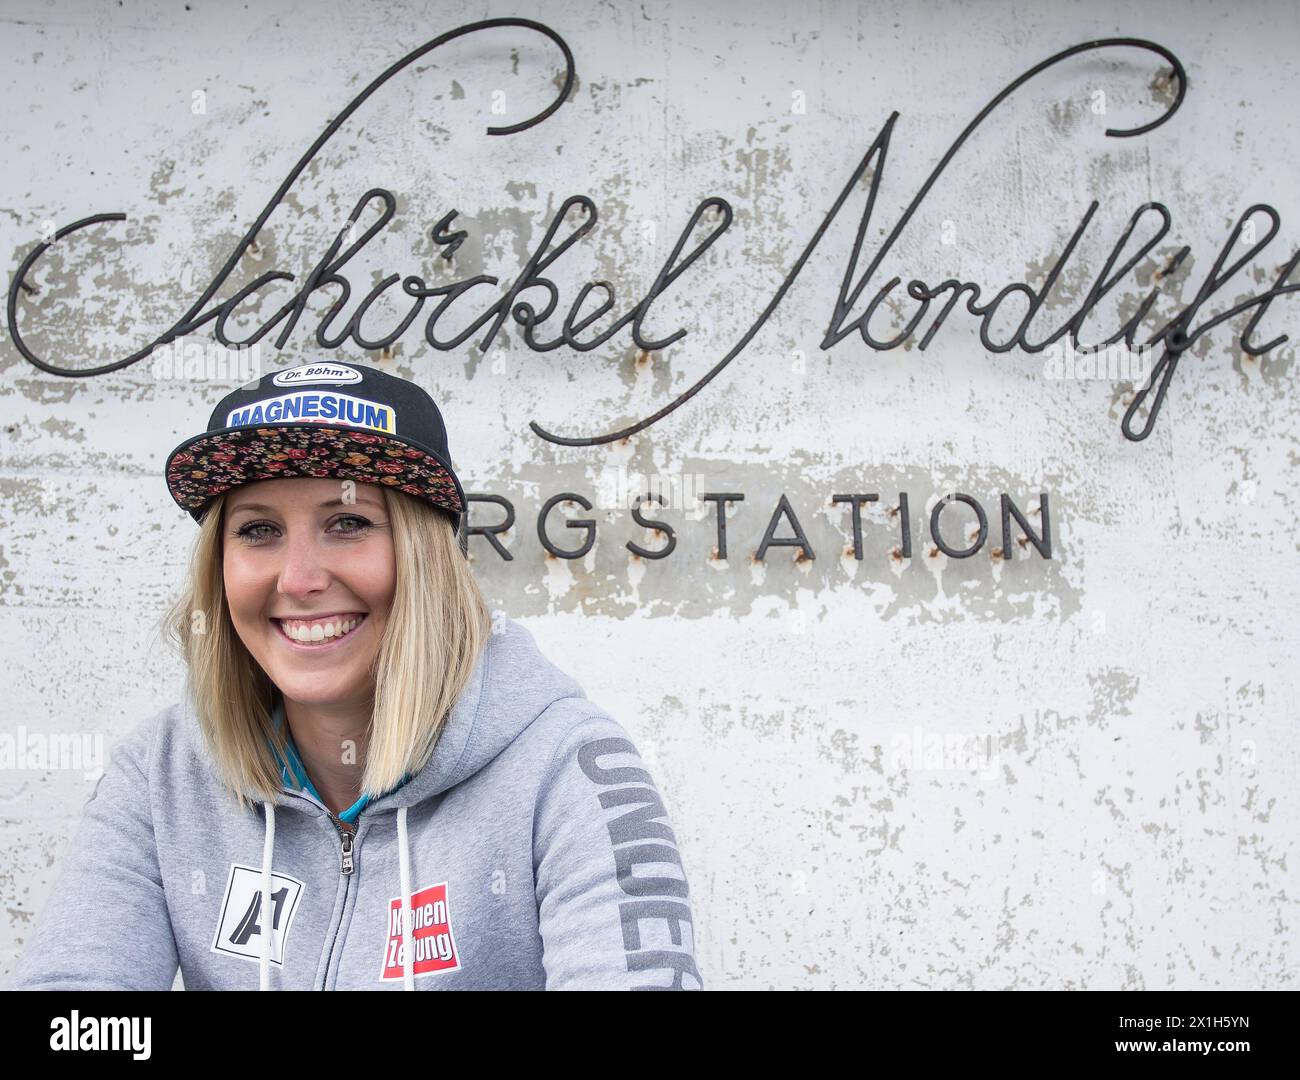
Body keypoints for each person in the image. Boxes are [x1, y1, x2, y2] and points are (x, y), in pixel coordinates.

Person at [8, 361, 702, 991]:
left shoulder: (569, 766)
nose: (301, 579)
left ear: (426, 558)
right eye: (257, 530)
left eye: (347, 522)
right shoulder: (161, 774)